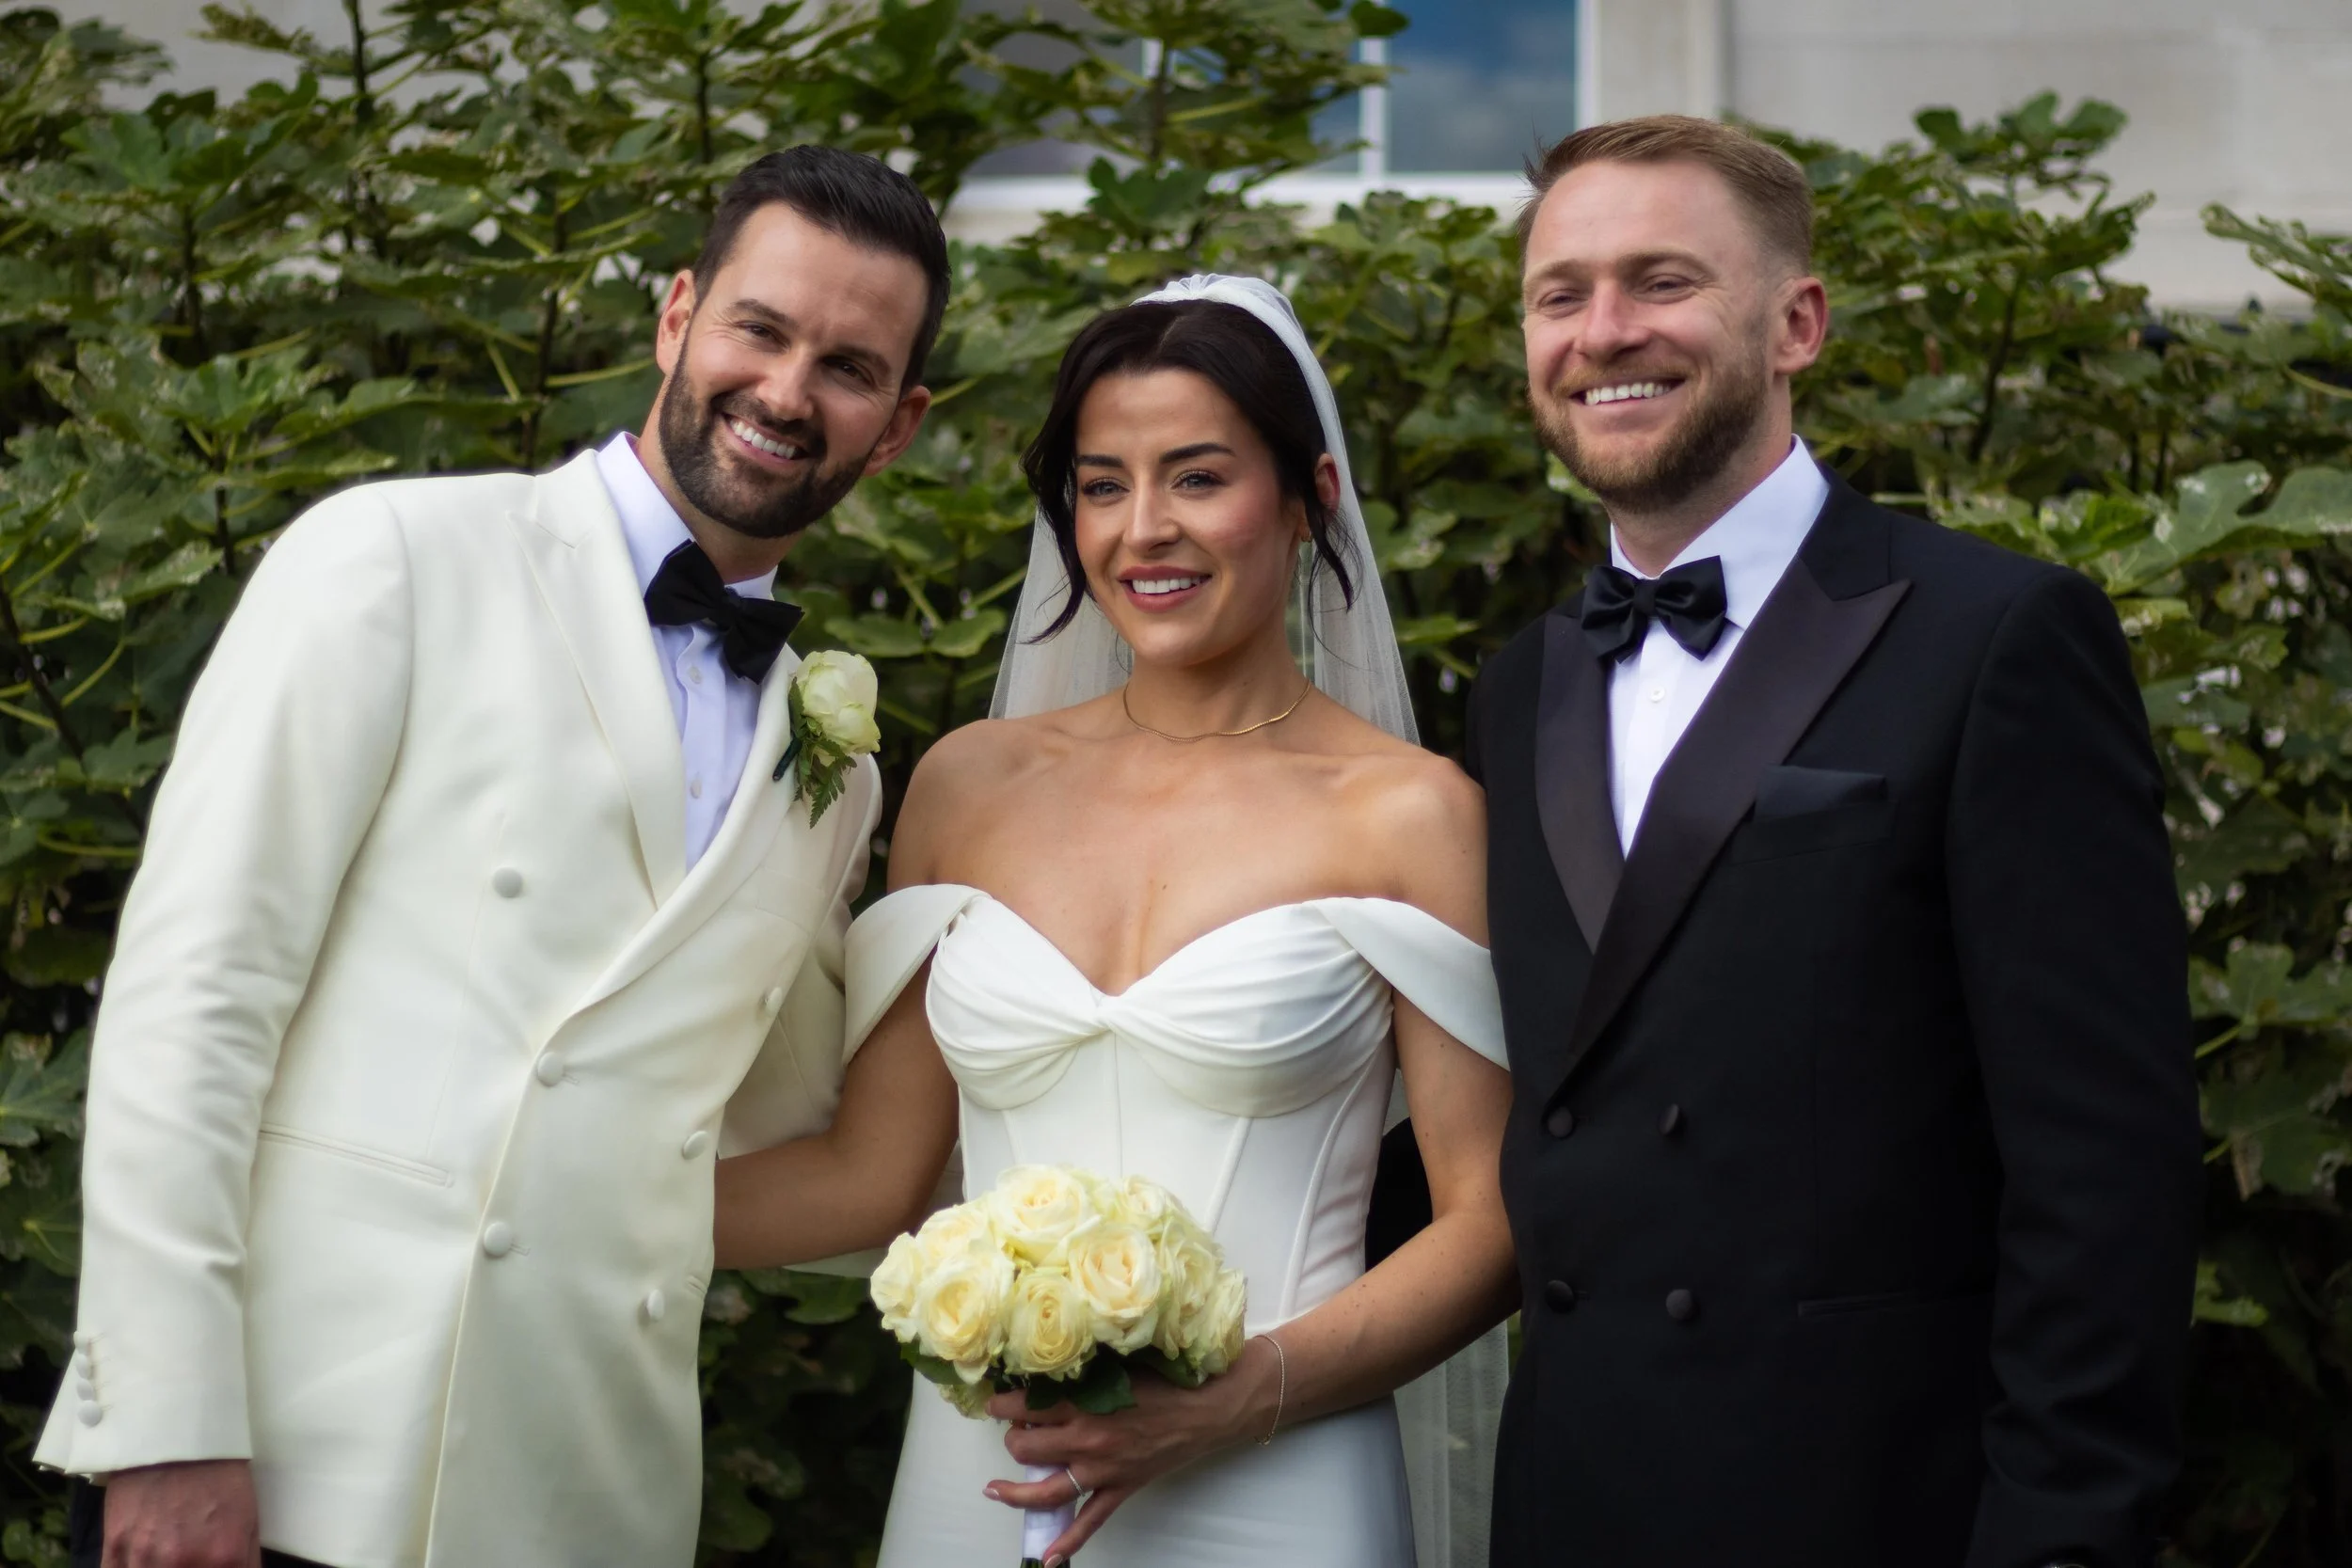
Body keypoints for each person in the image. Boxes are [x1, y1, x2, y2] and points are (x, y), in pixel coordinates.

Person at [41, 145, 943, 1568]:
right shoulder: (394, 556)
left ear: (896, 424)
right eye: (759, 329)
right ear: (678, 316)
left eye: (848, 364)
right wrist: (161, 1418)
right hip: (281, 1462)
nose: (786, 390)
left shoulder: (831, 773)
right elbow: (191, 1001)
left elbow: (753, 1136)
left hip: (586, 1493)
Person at [1469, 115, 2201, 1567]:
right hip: (1575, 1512)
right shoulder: (1517, 685)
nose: (1604, 330)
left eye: (1661, 281)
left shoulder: (1999, 635)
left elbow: (2102, 1177)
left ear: (1795, 320)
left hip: (1875, 1512)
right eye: (1562, 294)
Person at [712, 275, 1517, 1568]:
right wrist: (568, 1187)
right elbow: (876, 1174)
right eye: (1101, 484)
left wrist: (1239, 1394)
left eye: (1198, 477)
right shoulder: (969, 784)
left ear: (1310, 499)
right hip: (985, 1480)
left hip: (1286, 1471)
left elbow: (1491, 1220)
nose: (1144, 529)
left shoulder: (1412, 817)